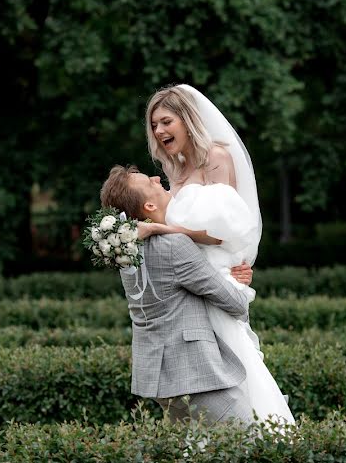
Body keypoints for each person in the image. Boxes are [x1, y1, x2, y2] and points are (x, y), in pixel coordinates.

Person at [138, 83, 295, 425]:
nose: (159, 131)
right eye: (154, 125)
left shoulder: (216, 158)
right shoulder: (174, 169)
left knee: (236, 361)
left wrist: (162, 230)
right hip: (188, 285)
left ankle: (261, 434)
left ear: (186, 118)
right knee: (199, 372)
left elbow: (225, 231)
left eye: (166, 121)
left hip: (214, 279)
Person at [100, 165, 255, 426]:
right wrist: (236, 281)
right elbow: (236, 304)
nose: (157, 178)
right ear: (148, 207)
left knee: (195, 458)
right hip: (195, 374)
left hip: (158, 377)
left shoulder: (125, 251)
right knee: (255, 442)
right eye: (150, 182)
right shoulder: (173, 246)